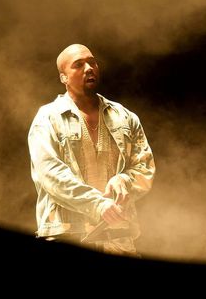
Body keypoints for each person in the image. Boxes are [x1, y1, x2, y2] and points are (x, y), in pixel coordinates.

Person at [28, 44, 155, 256]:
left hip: (118, 238)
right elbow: (49, 173)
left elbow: (144, 167)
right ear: (64, 78)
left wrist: (124, 180)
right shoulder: (48, 118)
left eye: (92, 62)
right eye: (78, 65)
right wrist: (97, 205)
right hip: (68, 237)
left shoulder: (125, 117)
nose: (89, 68)